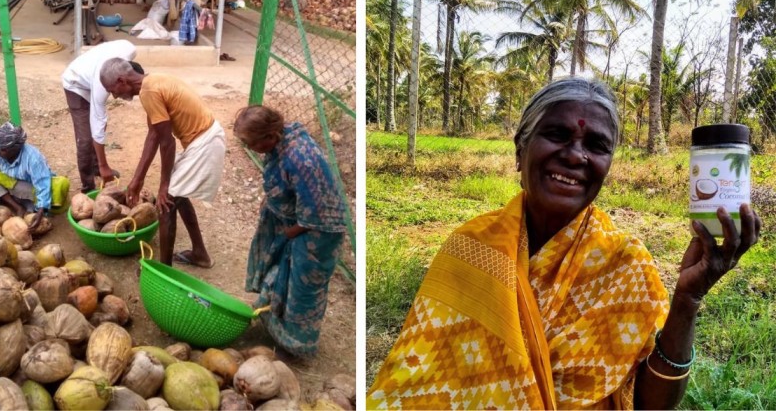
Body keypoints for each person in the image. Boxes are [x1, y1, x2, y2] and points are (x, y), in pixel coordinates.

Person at [367, 78, 762, 409]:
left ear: (607, 165)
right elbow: (417, 384)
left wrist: (687, 301)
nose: (575, 155)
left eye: (596, 145)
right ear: (521, 151)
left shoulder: (625, 267)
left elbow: (649, 404)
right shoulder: (470, 248)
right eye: (557, 134)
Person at [233, 105, 348, 358]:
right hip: (298, 223)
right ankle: (277, 329)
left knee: (302, 289)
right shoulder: (281, 143)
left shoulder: (300, 158)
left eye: (252, 143)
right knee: (279, 274)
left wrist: (287, 234)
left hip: (318, 233)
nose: (250, 149)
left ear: (270, 136)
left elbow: (315, 213)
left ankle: (297, 344)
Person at [99, 58, 225, 269]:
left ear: (121, 80)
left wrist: (164, 185)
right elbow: (153, 136)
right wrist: (136, 180)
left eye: (112, 90)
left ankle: (163, 271)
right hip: (203, 139)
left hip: (205, 141)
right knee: (178, 198)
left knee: (165, 204)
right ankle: (199, 253)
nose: (115, 96)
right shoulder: (152, 82)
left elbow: (168, 143)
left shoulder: (149, 91)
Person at [62, 39, 138, 193]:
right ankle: (88, 184)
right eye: (113, 92)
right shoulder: (101, 86)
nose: (115, 97)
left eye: (115, 92)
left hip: (90, 73)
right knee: (85, 137)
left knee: (99, 129)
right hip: (75, 82)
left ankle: (97, 167)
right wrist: (106, 167)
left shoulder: (129, 51)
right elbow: (97, 122)